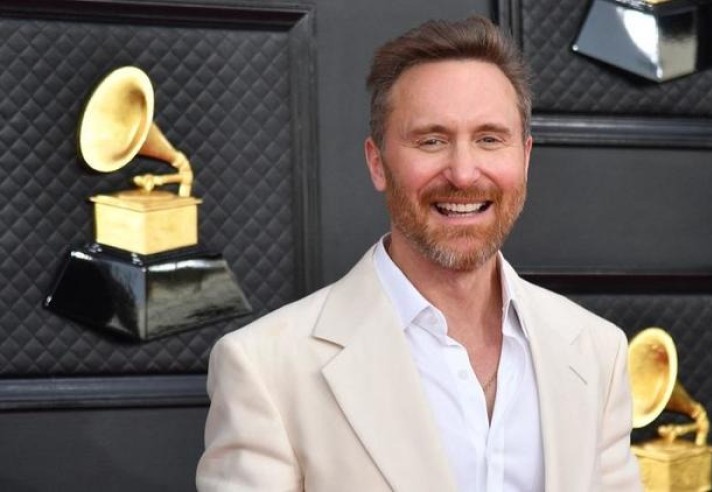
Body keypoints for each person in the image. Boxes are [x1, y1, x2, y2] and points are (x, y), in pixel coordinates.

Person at [196, 16, 641, 492]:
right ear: (377, 163)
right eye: (432, 141)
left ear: (525, 158)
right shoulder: (266, 368)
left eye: (490, 139)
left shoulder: (598, 351)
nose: (464, 173)